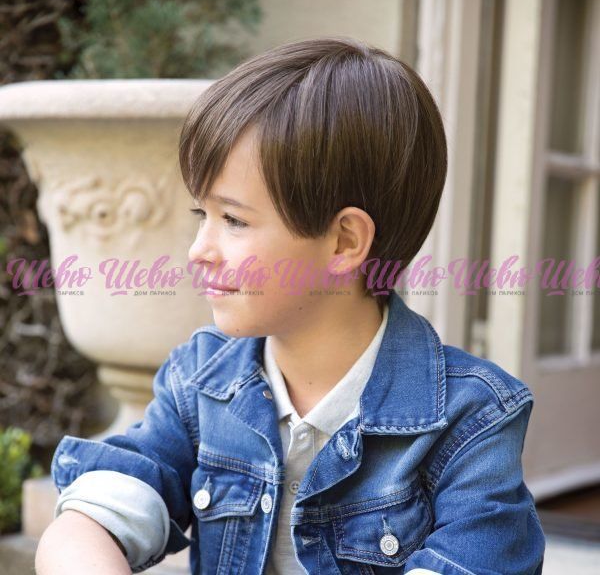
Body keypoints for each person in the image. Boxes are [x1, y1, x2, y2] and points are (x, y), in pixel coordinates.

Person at [35, 36, 545, 575]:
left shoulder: (472, 420)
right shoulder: (203, 381)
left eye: (234, 220)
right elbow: (96, 514)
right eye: (201, 215)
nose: (198, 251)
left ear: (345, 242)